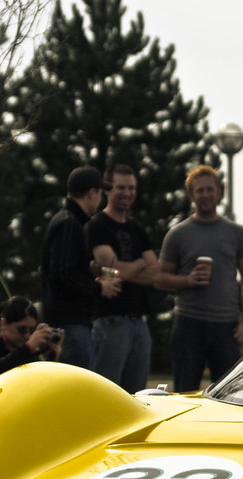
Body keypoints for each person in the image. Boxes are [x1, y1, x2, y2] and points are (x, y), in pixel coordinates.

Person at [159, 165, 243, 393]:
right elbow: (160, 278)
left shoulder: (236, 233)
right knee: (185, 393)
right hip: (188, 324)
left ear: (219, 193)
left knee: (229, 396)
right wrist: (187, 280)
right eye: (200, 191)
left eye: (210, 190)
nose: (205, 195)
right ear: (191, 196)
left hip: (227, 327)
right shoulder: (177, 234)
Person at [41, 165, 122, 370]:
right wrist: (99, 288)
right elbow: (62, 274)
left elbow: (63, 268)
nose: (101, 199)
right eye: (100, 193)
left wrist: (87, 270)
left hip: (67, 322)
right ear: (92, 192)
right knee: (77, 390)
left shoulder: (65, 220)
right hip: (71, 323)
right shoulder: (70, 223)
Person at [86, 164, 157, 392]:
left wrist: (120, 271)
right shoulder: (97, 225)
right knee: (107, 394)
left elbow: (155, 273)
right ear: (107, 189)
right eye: (121, 187)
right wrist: (140, 263)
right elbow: (114, 269)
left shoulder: (138, 229)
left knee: (137, 397)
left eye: (132, 188)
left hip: (139, 323)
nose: (127, 193)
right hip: (110, 322)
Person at [0, 296, 64, 399]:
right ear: (3, 323)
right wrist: (28, 348)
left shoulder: (28, 354)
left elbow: (42, 386)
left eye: (31, 330)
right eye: (22, 329)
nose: (27, 335)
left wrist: (52, 357)